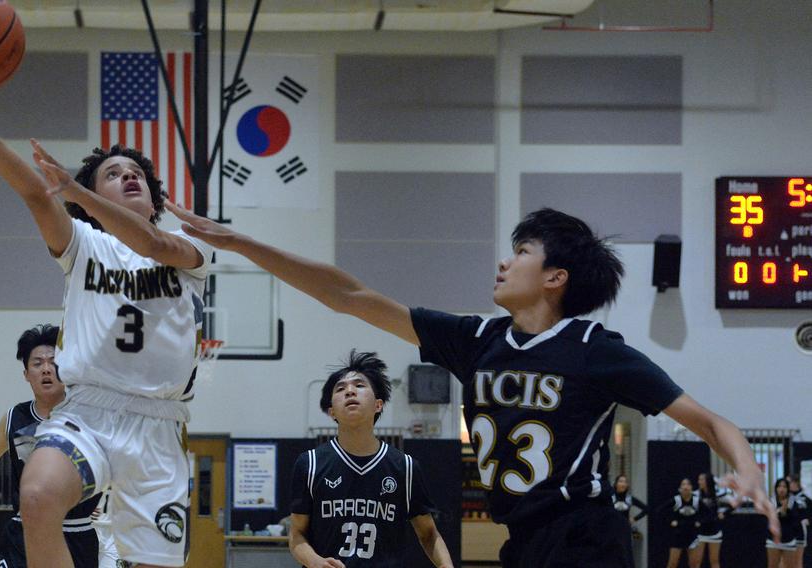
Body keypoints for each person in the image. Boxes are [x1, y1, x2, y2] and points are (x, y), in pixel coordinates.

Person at [165, 204, 780, 567]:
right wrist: (241, 242)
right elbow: (350, 296)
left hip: (584, 536)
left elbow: (709, 421)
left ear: (555, 277)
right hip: (523, 540)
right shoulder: (476, 338)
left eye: (522, 251)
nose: (504, 261)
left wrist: (747, 468)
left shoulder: (595, 351)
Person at [0, 42, 213, 568]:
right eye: (113, 173)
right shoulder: (84, 244)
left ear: (154, 198)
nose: (129, 177)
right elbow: (35, 194)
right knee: (35, 498)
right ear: (93, 198)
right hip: (89, 411)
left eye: (137, 176)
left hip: (158, 426)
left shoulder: (189, 246)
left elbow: (154, 245)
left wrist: (80, 192)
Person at [0, 324, 105, 568]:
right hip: (24, 532)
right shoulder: (14, 418)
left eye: (53, 362)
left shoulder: (89, 416)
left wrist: (103, 498)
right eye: (37, 363)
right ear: (26, 374)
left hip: (77, 533)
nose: (46, 369)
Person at [289, 350, 454, 568]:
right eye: (341, 388)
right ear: (332, 412)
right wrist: (315, 562)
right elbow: (296, 534)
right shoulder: (309, 464)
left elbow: (429, 533)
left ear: (378, 405)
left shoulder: (404, 467)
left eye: (359, 385)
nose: (349, 391)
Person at [690, 472, 724, 568]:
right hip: (700, 532)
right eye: (699, 479)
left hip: (715, 531)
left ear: (707, 481)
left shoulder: (718, 494)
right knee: (696, 562)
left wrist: (724, 513)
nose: (699, 482)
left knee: (714, 561)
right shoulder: (695, 495)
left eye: (701, 479)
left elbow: (734, 502)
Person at [666, 478, 699, 568]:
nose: (686, 486)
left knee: (694, 564)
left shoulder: (696, 501)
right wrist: (670, 521)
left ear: (691, 487)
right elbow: (660, 511)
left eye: (688, 484)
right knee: (672, 564)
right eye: (683, 484)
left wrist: (700, 521)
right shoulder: (676, 500)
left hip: (692, 536)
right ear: (679, 489)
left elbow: (709, 514)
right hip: (678, 535)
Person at [768, 478, 798, 568]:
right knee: (772, 565)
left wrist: (786, 511)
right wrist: (778, 511)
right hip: (773, 539)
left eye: (784, 487)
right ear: (776, 488)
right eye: (779, 486)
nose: (781, 489)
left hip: (789, 539)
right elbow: (768, 518)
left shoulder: (793, 502)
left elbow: (795, 520)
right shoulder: (771, 501)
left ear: (788, 489)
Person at [788, 477, 808, 568]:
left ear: (796, 483)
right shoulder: (785, 497)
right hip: (786, 531)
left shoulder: (805, 498)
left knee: (798, 560)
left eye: (789, 482)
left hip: (799, 532)